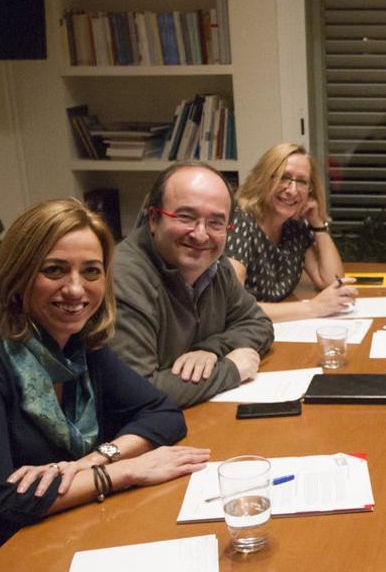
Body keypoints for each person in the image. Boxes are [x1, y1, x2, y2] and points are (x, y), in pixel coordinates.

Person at [0, 200, 208, 572]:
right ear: (18, 276)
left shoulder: (79, 347)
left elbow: (163, 413)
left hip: (62, 540)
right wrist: (124, 470)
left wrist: (92, 461)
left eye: (91, 272)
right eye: (54, 270)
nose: (75, 289)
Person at [112, 162, 274, 407]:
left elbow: (259, 323)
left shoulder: (215, 264)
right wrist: (230, 370)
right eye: (186, 217)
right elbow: (137, 393)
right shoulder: (123, 279)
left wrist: (210, 350)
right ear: (154, 218)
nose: (201, 235)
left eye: (216, 223)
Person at [225, 143, 357, 321]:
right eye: (283, 177)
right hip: (242, 335)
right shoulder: (240, 222)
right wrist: (313, 308)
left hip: (277, 328)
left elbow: (332, 281)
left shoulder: (293, 226)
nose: (292, 190)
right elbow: (233, 306)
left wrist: (317, 223)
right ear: (262, 178)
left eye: (302, 182)